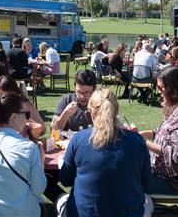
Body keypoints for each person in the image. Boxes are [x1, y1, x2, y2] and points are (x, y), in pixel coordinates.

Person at [57, 88, 154, 217]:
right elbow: (147, 182)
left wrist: (62, 164)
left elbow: (65, 180)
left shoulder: (79, 139)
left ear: (91, 112)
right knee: (148, 202)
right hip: (128, 212)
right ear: (116, 111)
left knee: (61, 199)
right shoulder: (136, 140)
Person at [0, 93, 47, 217]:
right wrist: (41, 162)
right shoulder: (29, 148)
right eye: (26, 114)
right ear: (14, 117)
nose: (28, 119)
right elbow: (38, 190)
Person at [140, 67, 178, 196]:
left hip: (177, 183)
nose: (159, 92)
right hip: (168, 176)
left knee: (127, 181)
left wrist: (144, 142)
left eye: (161, 88)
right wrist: (148, 133)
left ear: (173, 90)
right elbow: (170, 134)